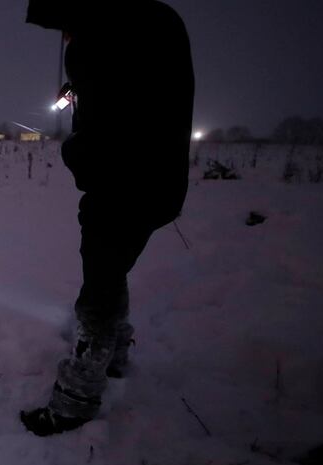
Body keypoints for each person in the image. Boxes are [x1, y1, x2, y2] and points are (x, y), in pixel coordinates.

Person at [20, 0, 195, 436]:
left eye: (62, 26)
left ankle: (75, 402)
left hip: (120, 185)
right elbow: (139, 91)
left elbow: (103, 130)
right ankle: (114, 357)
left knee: (98, 288)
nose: (63, 37)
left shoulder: (96, 42)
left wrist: (73, 150)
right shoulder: (158, 19)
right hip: (162, 182)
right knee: (111, 269)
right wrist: (80, 89)